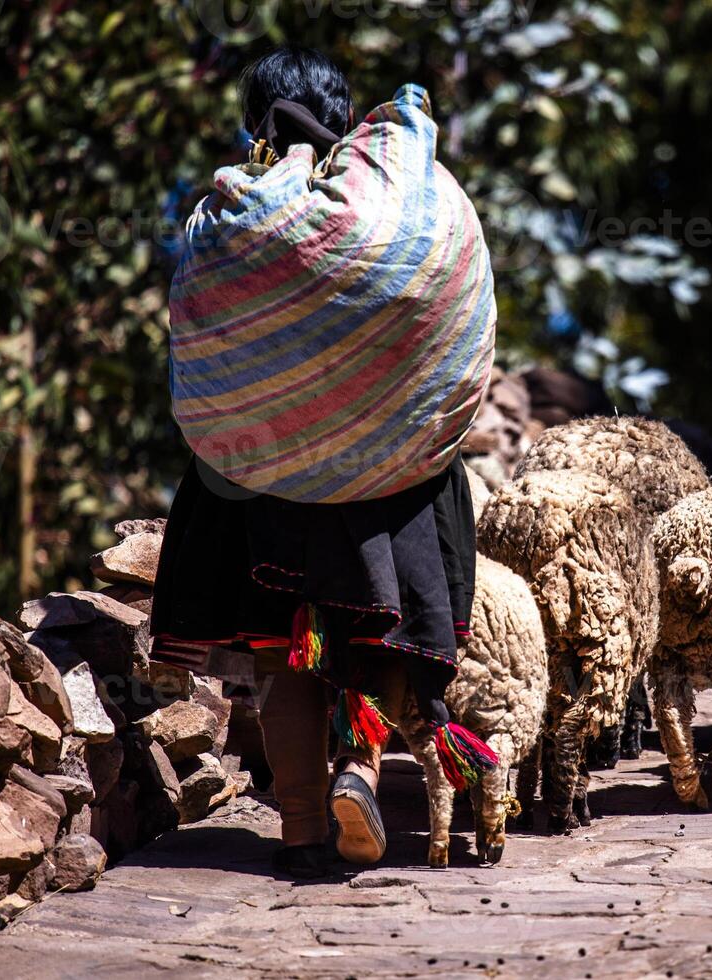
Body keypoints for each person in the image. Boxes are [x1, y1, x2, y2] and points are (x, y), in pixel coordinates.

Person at [148, 46, 483, 879]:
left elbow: (197, 331)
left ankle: (299, 827)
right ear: (343, 114)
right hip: (389, 489)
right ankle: (360, 775)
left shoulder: (232, 211)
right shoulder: (397, 196)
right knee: (364, 633)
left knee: (279, 651)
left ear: (251, 118)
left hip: (257, 489)